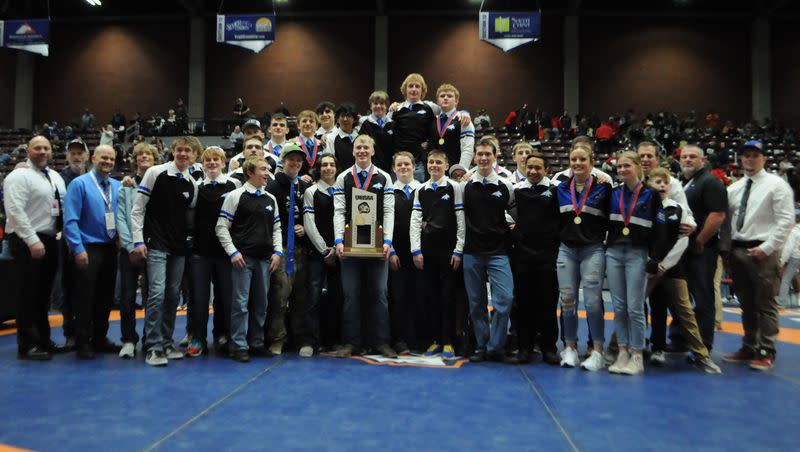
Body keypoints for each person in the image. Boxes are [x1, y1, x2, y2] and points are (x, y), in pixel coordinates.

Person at [723, 140, 794, 371]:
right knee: (746, 303)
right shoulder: (734, 188)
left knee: (766, 303)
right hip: (738, 249)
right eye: (746, 155)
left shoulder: (777, 185)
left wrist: (768, 247)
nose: (750, 159)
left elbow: (786, 220)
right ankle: (749, 345)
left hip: (764, 251)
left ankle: (767, 349)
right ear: (740, 159)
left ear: (764, 158)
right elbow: (727, 221)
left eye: (755, 155)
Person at [131, 136, 200, 366]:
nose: (183, 154)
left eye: (187, 151)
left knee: (173, 295)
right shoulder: (155, 173)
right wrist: (138, 241)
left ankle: (167, 341)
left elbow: (189, 216)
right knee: (157, 293)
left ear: (194, 156)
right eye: (179, 150)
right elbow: (137, 209)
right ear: (173, 151)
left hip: (178, 246)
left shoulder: (192, 184)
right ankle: (153, 345)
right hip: (156, 242)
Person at [645, 167, 722, 374]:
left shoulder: (678, 208)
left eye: (665, 182)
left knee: (686, 311)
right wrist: (650, 263)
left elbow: (683, 239)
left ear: (670, 186)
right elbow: (640, 239)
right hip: (649, 268)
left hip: (672, 268)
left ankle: (701, 355)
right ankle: (630, 348)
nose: (661, 185)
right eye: (657, 182)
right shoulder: (644, 207)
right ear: (648, 185)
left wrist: (664, 265)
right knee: (637, 308)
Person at [3, 136, 68, 360]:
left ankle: (43, 339)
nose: (42, 151)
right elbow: (14, 210)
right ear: (28, 151)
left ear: (51, 151)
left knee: (43, 295)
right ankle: (27, 344)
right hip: (26, 239)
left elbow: (60, 207)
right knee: (28, 294)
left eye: (46, 148)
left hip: (50, 238)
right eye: (37, 148)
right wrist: (31, 240)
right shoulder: (18, 176)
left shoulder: (55, 176)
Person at [333, 134, 397, 358]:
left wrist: (388, 241)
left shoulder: (384, 177)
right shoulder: (343, 177)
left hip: (378, 246)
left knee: (379, 293)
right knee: (351, 295)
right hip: (350, 246)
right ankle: (351, 342)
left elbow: (389, 210)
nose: (362, 151)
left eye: (366, 147)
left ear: (372, 150)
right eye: (358, 147)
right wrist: (339, 240)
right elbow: (339, 211)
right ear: (352, 151)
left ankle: (381, 342)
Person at [216, 157, 283, 363]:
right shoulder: (235, 196)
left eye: (268, 169)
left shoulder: (271, 199)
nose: (267, 172)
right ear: (249, 172)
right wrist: (232, 252)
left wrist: (278, 252)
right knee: (240, 304)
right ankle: (238, 345)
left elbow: (277, 228)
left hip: (265, 259)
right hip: (243, 259)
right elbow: (221, 227)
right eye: (263, 169)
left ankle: (256, 342)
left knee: (261, 304)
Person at [555, 142, 612, 371]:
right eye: (574, 160)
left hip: (593, 249)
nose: (578, 163)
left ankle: (597, 350)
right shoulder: (560, 188)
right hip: (567, 250)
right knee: (567, 301)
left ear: (592, 163)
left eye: (582, 160)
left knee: (592, 302)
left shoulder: (604, 188)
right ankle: (569, 348)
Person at [63, 144, 122, 359]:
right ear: (93, 158)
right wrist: (77, 249)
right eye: (103, 157)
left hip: (109, 247)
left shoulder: (117, 185)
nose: (107, 162)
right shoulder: (79, 184)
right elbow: (70, 220)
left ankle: (99, 338)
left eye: (111, 159)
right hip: (87, 247)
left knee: (105, 297)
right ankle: (82, 341)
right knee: (84, 297)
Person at [461, 139, 516, 362]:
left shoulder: (506, 185)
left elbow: (514, 214)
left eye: (488, 154)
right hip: (471, 251)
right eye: (480, 154)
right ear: (474, 156)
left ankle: (496, 346)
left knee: (505, 299)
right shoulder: (463, 185)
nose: (483, 158)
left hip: (498, 252)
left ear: (495, 157)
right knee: (476, 303)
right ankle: (482, 345)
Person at [603, 152, 658, 375]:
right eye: (619, 166)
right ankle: (623, 351)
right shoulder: (614, 193)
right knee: (619, 307)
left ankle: (637, 354)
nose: (623, 169)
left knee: (634, 307)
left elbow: (659, 229)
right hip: (614, 252)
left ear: (637, 166)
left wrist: (654, 258)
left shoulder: (651, 195)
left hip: (638, 253)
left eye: (627, 165)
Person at [506, 152, 560, 365]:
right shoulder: (517, 191)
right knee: (524, 304)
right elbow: (498, 209)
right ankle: (524, 347)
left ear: (546, 170)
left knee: (547, 303)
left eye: (538, 168)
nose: (533, 171)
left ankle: (549, 347)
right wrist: (511, 226)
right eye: (529, 167)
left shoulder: (556, 191)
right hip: (522, 255)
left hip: (548, 255)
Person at [410, 150, 464, 360]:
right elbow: (415, 222)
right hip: (428, 252)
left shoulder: (454, 187)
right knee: (431, 297)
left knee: (448, 297)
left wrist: (458, 250)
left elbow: (460, 220)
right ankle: (435, 340)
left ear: (446, 164)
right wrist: (416, 250)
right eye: (431, 162)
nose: (433, 165)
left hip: (449, 253)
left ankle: (449, 341)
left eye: (438, 162)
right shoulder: (421, 189)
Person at [186, 147, 239, 358]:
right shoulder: (196, 187)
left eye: (216, 159)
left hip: (225, 252)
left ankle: (222, 335)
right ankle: (197, 337)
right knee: (199, 298)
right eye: (208, 160)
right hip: (201, 251)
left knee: (225, 297)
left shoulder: (234, 184)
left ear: (224, 162)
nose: (212, 163)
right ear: (203, 163)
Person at [678, 144, 727, 352]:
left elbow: (717, 215)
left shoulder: (710, 182)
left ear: (703, 160)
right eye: (684, 157)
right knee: (683, 297)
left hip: (702, 250)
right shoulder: (687, 182)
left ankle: (704, 344)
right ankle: (681, 340)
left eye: (692, 157)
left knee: (703, 295)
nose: (687, 160)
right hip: (685, 250)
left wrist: (700, 240)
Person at [266, 144, 311, 356]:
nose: (295, 163)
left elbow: (307, 215)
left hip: (302, 249)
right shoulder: (273, 187)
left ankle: (297, 338)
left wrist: (303, 225)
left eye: (299, 160)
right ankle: (277, 338)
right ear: (283, 161)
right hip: (283, 248)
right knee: (279, 296)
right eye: (291, 159)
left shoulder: (303, 187)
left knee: (300, 297)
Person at [116, 143, 158, 358]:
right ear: (134, 159)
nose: (144, 156)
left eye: (148, 153)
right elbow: (122, 218)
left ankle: (150, 338)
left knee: (154, 296)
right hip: (131, 249)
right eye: (140, 154)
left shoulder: (160, 183)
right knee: (128, 296)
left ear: (155, 158)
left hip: (154, 248)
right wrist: (131, 245)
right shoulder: (126, 186)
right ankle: (129, 339)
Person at [302, 154, 343, 352]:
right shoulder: (311, 192)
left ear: (337, 168)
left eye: (331, 164)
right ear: (318, 168)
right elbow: (309, 223)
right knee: (313, 297)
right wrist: (325, 249)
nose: (328, 168)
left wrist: (337, 246)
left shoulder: (343, 191)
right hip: (318, 253)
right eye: (324, 165)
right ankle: (310, 341)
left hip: (340, 252)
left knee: (337, 297)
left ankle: (333, 339)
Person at [389, 151, 424, 354]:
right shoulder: (388, 192)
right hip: (397, 253)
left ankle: (417, 338)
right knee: (398, 297)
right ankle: (399, 339)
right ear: (394, 169)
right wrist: (391, 251)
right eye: (399, 165)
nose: (403, 168)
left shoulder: (423, 189)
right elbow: (384, 224)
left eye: (407, 164)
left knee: (419, 296)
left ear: (413, 166)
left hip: (419, 253)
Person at [426, 84, 475, 171]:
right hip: (432, 171)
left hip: (453, 170)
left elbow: (467, 149)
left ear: (456, 101)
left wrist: (460, 170)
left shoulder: (463, 119)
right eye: (442, 96)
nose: (445, 98)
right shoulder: (432, 119)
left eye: (449, 96)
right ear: (437, 101)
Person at [358, 91, 394, 172]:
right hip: (370, 168)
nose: (378, 106)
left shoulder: (392, 124)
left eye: (382, 103)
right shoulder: (363, 123)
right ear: (371, 106)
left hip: (390, 168)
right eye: (375, 103)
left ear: (386, 106)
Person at [292, 110, 327, 181]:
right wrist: (298, 178)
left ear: (316, 126)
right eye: (304, 121)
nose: (308, 123)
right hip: (298, 184)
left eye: (311, 121)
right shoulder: (291, 145)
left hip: (318, 185)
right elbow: (284, 170)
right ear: (298, 125)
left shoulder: (322, 144)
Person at [325, 103, 360, 170]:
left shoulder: (359, 137)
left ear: (354, 119)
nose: (345, 119)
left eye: (348, 116)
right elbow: (330, 160)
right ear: (337, 119)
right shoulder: (331, 137)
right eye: (342, 116)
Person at [778, 216, 800, 308]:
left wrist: (782, 261)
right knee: (794, 277)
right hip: (797, 256)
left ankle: (782, 302)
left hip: (795, 257)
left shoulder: (794, 232)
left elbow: (788, 248)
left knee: (786, 279)